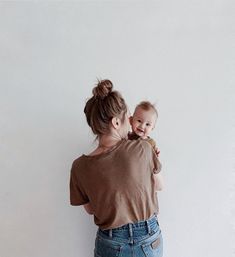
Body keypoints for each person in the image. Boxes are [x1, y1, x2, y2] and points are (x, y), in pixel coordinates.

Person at [69, 79, 163, 257]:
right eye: (127, 117)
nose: (130, 123)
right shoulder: (144, 148)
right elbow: (158, 186)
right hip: (148, 237)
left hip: (110, 241)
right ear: (116, 123)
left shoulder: (79, 167)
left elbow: (90, 209)